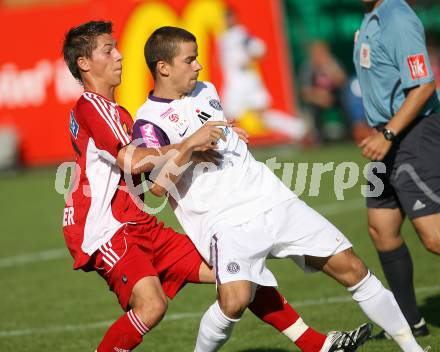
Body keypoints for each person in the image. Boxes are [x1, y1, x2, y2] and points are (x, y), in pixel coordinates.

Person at [61, 20, 370, 352]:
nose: (120, 56)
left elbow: (146, 174)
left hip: (138, 223)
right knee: (152, 306)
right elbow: (132, 162)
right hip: (107, 229)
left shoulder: (114, 111)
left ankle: (316, 345)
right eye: (109, 50)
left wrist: (203, 146)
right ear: (84, 63)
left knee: (233, 272)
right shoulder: (92, 105)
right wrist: (189, 143)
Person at [134, 25, 427, 352]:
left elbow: (212, 128)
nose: (198, 66)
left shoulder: (206, 89)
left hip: (271, 197)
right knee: (234, 301)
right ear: (164, 67)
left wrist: (230, 133)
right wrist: (191, 146)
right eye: (189, 60)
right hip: (224, 221)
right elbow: (158, 188)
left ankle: (412, 348)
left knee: (353, 268)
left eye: (197, 58)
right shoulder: (149, 121)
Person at [354, 0, 440, 340]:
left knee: (434, 237)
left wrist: (389, 133)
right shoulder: (371, 17)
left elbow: (424, 86)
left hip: (410, 134)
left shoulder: (398, 18)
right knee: (380, 228)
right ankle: (408, 322)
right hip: (386, 135)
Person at [218, 8, 308, 142]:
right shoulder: (224, 37)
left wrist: (248, 59)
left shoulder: (241, 34)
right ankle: (228, 145)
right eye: (225, 18)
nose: (227, 20)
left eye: (229, 17)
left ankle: (299, 130)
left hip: (246, 80)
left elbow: (259, 48)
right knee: (225, 114)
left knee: (262, 115)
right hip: (234, 83)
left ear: (235, 18)